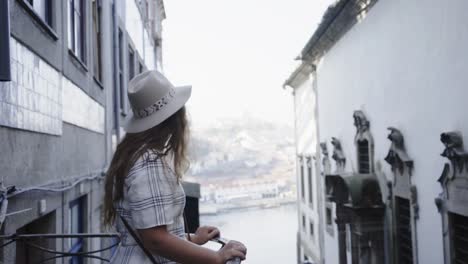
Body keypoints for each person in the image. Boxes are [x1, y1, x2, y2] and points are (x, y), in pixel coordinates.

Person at [103, 70, 247, 264]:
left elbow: (151, 231)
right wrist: (216, 257)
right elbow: (155, 239)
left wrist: (193, 239)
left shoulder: (135, 155)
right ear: (174, 118)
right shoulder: (150, 162)